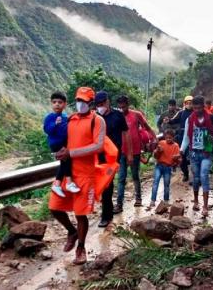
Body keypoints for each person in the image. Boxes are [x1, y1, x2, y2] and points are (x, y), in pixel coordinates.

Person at [48, 87, 106, 265]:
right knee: (54, 207)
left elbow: (98, 146)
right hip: (68, 173)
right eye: (78, 100)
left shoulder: (98, 120)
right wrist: (61, 151)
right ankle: (71, 232)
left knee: (81, 214)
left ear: (91, 103)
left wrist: (71, 153)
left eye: (84, 101)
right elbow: (63, 139)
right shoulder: (71, 119)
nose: (80, 103)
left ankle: (81, 248)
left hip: (86, 175)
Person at [94, 91, 131, 227]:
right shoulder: (95, 117)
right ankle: (107, 213)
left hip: (113, 157)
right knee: (103, 185)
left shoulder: (118, 115)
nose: (100, 106)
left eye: (102, 103)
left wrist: (129, 153)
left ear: (108, 101)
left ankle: (106, 216)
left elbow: (126, 134)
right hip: (98, 157)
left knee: (107, 185)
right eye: (98, 104)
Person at [114, 95, 156, 213]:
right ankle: (119, 204)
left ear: (128, 104)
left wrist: (154, 138)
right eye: (120, 106)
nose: (122, 108)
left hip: (136, 151)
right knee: (121, 177)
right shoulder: (117, 116)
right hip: (122, 151)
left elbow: (146, 127)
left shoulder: (136, 115)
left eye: (124, 106)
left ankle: (138, 198)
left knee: (135, 175)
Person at [180, 95, 213, 217]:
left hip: (206, 152)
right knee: (196, 178)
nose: (197, 110)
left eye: (199, 108)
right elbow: (187, 137)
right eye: (195, 108)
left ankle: (206, 206)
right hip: (193, 153)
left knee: (204, 176)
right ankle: (196, 201)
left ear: (203, 106)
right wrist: (181, 150)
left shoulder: (211, 117)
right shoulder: (189, 120)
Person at [43, 91, 80, 197]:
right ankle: (68, 183)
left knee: (65, 162)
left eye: (60, 102)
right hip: (56, 144)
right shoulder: (50, 117)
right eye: (54, 102)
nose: (57, 104)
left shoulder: (65, 117)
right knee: (67, 160)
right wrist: (55, 124)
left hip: (64, 143)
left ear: (65, 104)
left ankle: (59, 184)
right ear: (51, 103)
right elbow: (47, 130)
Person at [165, 95, 193, 182]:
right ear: (184, 104)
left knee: (193, 155)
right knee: (182, 156)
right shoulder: (181, 113)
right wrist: (168, 120)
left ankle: (195, 175)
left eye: (190, 103)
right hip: (182, 136)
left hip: (193, 136)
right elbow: (173, 120)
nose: (189, 104)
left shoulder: (196, 113)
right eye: (187, 103)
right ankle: (185, 174)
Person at [150, 129, 181, 207]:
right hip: (159, 165)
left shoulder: (176, 146)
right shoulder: (161, 143)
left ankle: (166, 201)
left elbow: (178, 159)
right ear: (164, 137)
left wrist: (176, 158)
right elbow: (155, 156)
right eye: (167, 138)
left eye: (170, 138)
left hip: (168, 167)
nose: (168, 139)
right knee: (155, 182)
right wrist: (158, 151)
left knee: (166, 184)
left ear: (173, 138)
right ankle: (152, 201)